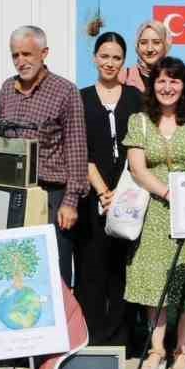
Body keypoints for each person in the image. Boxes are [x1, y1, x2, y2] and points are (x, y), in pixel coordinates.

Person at [125, 57, 185, 369]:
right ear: (152, 85)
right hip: (154, 209)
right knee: (155, 283)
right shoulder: (139, 120)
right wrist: (166, 192)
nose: (167, 87)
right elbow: (137, 168)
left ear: (184, 86)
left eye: (174, 81)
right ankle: (156, 349)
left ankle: (183, 351)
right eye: (161, 81)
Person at [0, 26, 88, 283]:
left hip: (52, 195)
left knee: (53, 268)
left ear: (44, 53)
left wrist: (70, 202)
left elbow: (76, 147)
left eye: (27, 54)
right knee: (16, 268)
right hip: (15, 193)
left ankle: (61, 322)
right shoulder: (6, 89)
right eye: (15, 55)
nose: (20, 61)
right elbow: (3, 142)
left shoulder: (65, 90)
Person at [74, 32, 143, 347]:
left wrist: (121, 192)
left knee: (122, 268)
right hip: (93, 197)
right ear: (94, 58)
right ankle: (92, 336)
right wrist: (103, 191)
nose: (110, 63)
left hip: (130, 194)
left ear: (123, 61)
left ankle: (120, 338)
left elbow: (141, 148)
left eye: (116, 57)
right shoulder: (81, 97)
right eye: (104, 56)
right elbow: (79, 148)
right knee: (91, 269)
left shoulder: (135, 98)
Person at [124, 20, 167, 93]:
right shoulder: (124, 76)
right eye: (143, 43)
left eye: (156, 42)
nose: (149, 49)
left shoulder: (175, 77)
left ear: (165, 45)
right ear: (137, 45)